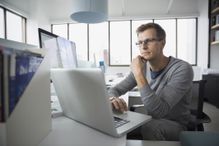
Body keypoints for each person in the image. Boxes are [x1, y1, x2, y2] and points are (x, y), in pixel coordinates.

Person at [108, 23, 194, 141]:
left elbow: (158, 112)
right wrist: (112, 98)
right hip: (151, 120)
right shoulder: (143, 67)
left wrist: (138, 72)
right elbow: (115, 90)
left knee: (151, 127)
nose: (143, 46)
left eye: (149, 41)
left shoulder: (182, 69)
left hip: (176, 125)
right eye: (140, 42)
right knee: (114, 126)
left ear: (162, 42)